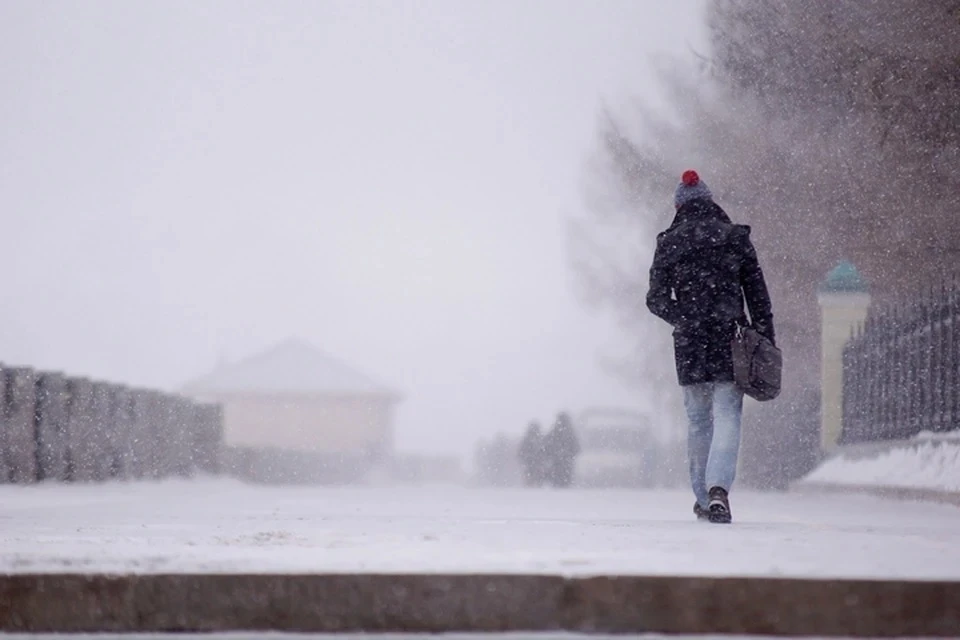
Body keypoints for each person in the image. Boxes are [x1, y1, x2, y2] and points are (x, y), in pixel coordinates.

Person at [646, 170, 775, 524]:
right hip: (729, 338)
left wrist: (685, 317)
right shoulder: (734, 238)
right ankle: (719, 490)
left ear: (678, 205)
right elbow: (758, 296)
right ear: (710, 201)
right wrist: (765, 339)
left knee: (698, 420)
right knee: (728, 415)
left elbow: (655, 299)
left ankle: (703, 498)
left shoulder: (669, 242)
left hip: (689, 344)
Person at [543, 412, 581, 488]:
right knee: (565, 482)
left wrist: (551, 454)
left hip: (557, 462)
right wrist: (568, 454)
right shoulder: (570, 432)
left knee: (557, 482)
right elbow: (577, 448)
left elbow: (546, 446)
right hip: (566, 463)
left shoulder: (554, 431)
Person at [518, 421, 546, 487]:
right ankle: (534, 488)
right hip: (534, 463)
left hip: (531, 463)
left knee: (531, 478)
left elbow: (520, 452)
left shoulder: (528, 440)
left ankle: (531, 488)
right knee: (536, 478)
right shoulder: (541, 439)